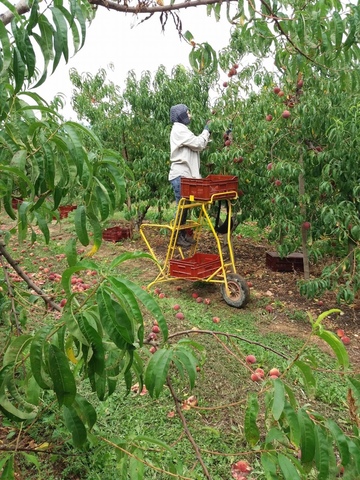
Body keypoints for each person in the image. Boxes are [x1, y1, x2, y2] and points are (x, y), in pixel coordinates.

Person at [168, 104, 211, 247]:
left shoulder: (182, 130)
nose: (190, 115)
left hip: (184, 175)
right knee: (182, 207)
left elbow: (197, 146)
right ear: (181, 115)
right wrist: (206, 130)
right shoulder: (179, 130)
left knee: (185, 207)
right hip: (180, 175)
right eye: (188, 112)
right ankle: (177, 237)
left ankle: (181, 235)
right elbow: (198, 144)